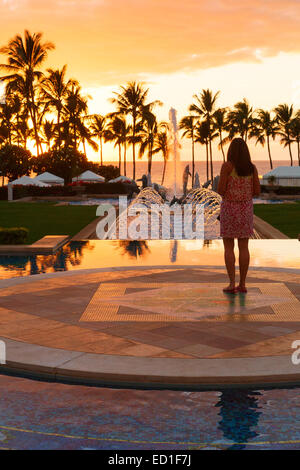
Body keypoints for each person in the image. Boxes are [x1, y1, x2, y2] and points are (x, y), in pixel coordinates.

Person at [217, 138, 260, 294]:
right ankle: (242, 284)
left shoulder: (227, 167)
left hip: (229, 209)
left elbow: (220, 190)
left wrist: (231, 192)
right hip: (245, 209)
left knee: (229, 247)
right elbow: (257, 191)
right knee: (244, 247)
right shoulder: (252, 168)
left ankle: (231, 284)